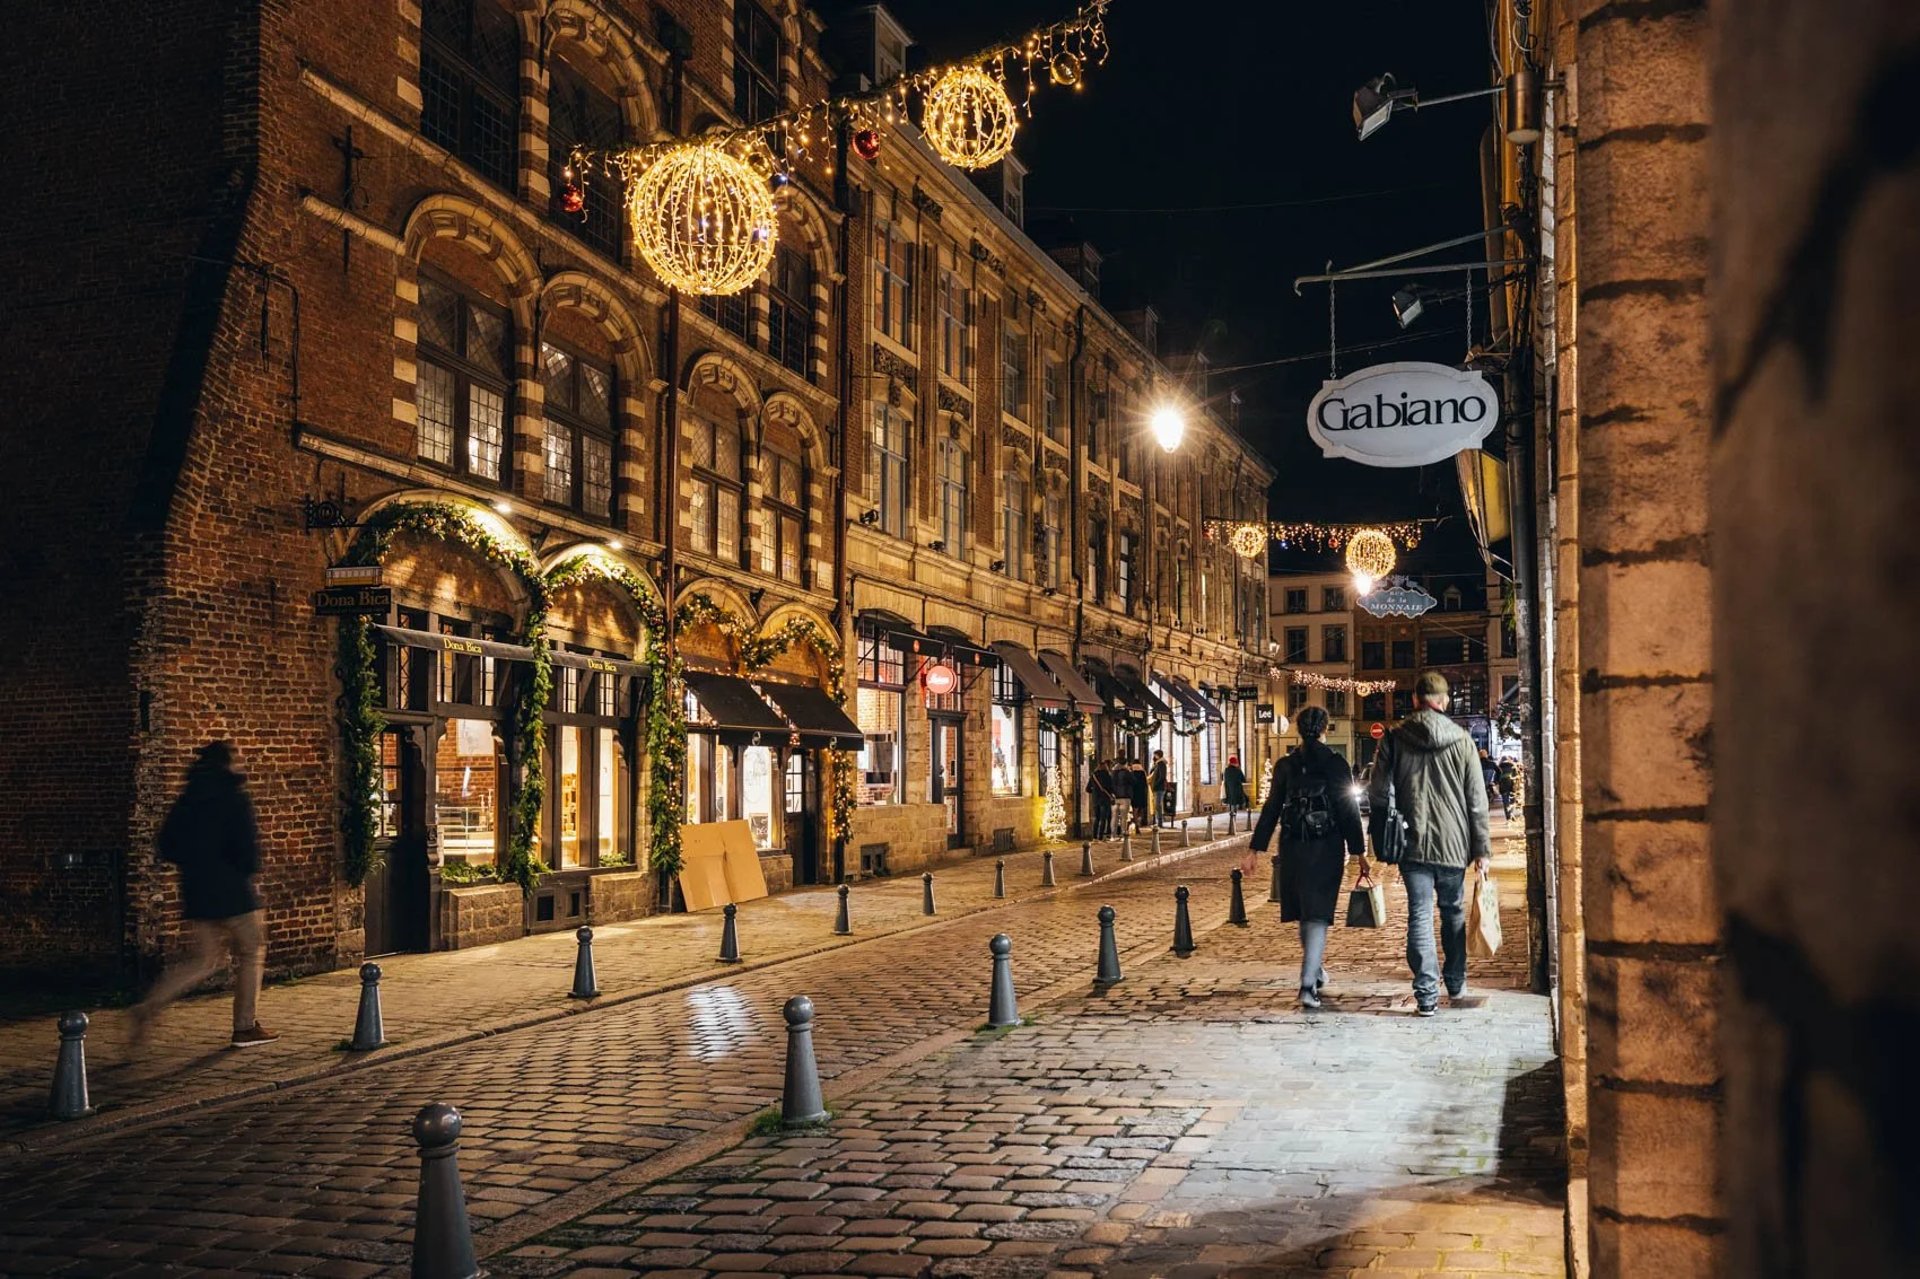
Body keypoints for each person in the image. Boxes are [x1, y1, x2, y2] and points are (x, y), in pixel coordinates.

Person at [131, 742, 279, 1050]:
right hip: (234, 892)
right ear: (227, 764)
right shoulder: (234, 797)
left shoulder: (188, 799)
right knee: (252, 951)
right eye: (237, 759)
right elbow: (247, 850)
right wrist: (244, 869)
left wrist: (196, 864)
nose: (241, 763)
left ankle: (150, 1004)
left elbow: (166, 844)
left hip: (197, 891)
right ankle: (245, 1026)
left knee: (205, 961)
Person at [1369, 672, 1492, 1016]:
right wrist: (1482, 850)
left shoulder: (1394, 738)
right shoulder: (1463, 741)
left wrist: (1389, 824)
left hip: (1412, 842)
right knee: (1452, 912)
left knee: (1419, 914)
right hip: (1454, 844)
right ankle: (1456, 983)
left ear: (1415, 700)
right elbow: (1477, 800)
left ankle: (1425, 995)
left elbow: (1377, 792)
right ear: (1444, 701)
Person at [1250, 708, 1367, 1008]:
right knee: (1317, 914)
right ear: (1325, 728)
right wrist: (1359, 851)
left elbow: (1271, 809)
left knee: (1306, 911)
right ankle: (1306, 984)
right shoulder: (1335, 764)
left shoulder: (1286, 765)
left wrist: (1255, 849)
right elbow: (1348, 811)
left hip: (1292, 847)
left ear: (1298, 730)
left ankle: (1315, 969)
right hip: (1326, 847)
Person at [1087, 759, 1116, 840]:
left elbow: (1088, 789)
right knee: (1103, 819)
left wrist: (1094, 791)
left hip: (1096, 799)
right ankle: (1100, 836)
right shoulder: (1108, 776)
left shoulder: (1093, 776)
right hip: (1105, 799)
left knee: (1097, 818)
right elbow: (1111, 788)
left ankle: (1094, 836)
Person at [1148, 750, 1171, 826]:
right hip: (1157, 787)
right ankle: (1158, 821)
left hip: (1159, 788)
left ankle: (1160, 822)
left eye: (1155, 755)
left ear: (1158, 755)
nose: (1154, 757)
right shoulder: (1157, 764)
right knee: (1156, 805)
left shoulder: (1161, 764)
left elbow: (1162, 777)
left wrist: (1155, 784)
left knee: (1158, 805)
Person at [1127, 759, 1150, 833]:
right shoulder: (1143, 772)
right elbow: (1145, 784)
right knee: (1141, 809)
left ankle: (1135, 823)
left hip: (1134, 793)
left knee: (1135, 810)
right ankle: (1138, 823)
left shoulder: (1131, 772)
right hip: (1142, 793)